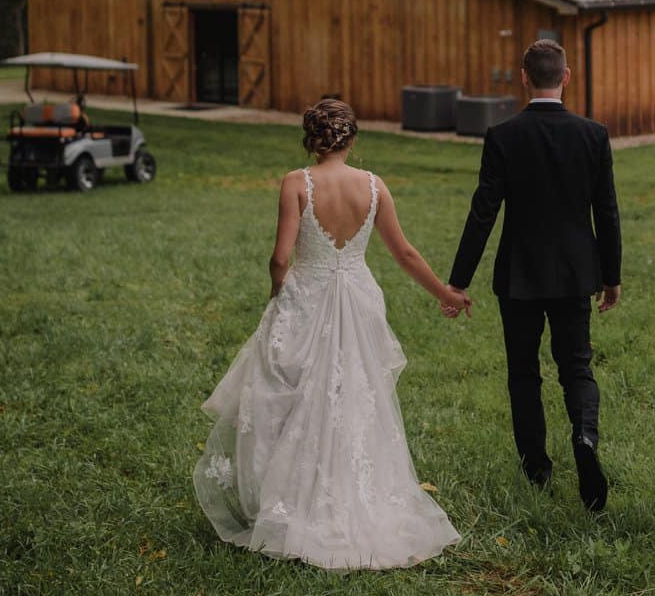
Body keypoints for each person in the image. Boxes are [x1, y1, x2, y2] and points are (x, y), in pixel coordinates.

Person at [194, 97, 470, 569]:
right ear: (352, 138)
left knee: (291, 395)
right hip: (358, 298)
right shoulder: (374, 186)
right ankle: (353, 493)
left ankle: (288, 500)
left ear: (310, 138)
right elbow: (403, 252)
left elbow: (281, 257)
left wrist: (280, 293)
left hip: (309, 295)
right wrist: (444, 292)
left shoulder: (295, 183)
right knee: (355, 398)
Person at [448, 39, 622, 510]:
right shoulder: (593, 135)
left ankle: (536, 468)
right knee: (577, 368)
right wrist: (611, 277)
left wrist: (458, 281)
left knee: (523, 373)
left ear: (524, 78)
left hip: (519, 277)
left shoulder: (503, 136)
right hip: (574, 275)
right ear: (566, 77)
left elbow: (483, 212)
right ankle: (584, 439)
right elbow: (606, 212)